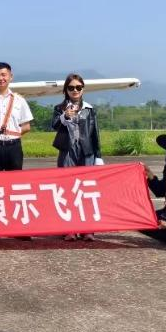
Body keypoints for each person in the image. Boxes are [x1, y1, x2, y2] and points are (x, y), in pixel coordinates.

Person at [51, 73, 104, 241]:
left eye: (78, 87)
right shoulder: (59, 108)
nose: (75, 90)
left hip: (86, 151)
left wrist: (98, 156)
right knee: (67, 188)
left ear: (83, 89)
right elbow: (53, 125)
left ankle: (88, 229)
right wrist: (65, 116)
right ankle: (69, 228)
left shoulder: (89, 109)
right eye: (71, 87)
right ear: (66, 90)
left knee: (87, 189)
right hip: (67, 150)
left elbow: (95, 134)